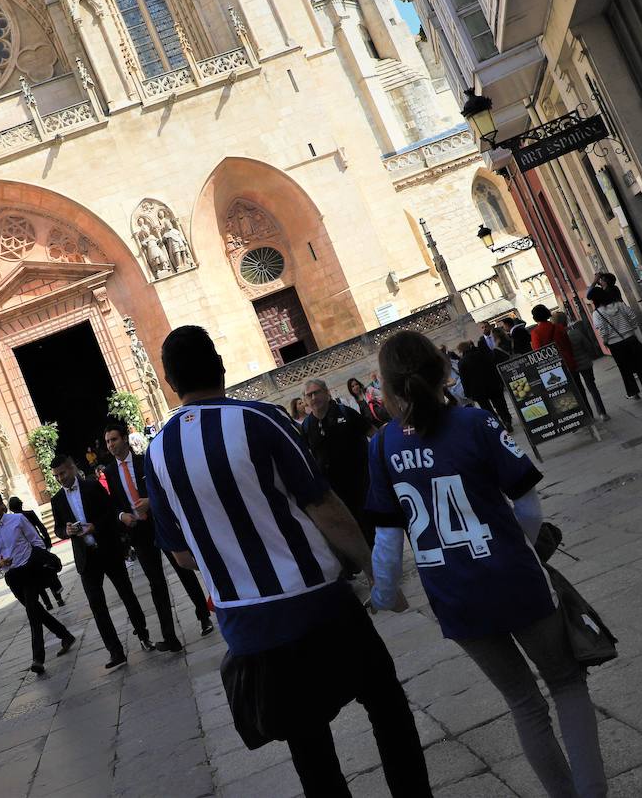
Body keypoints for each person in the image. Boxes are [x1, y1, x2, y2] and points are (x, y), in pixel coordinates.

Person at [145, 325, 431, 798]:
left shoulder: (156, 452)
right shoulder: (260, 420)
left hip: (250, 626)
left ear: (169, 382)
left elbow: (181, 556)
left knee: (309, 747)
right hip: (318, 603)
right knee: (385, 704)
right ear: (219, 365)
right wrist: (379, 574)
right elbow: (324, 506)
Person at [366, 331, 607, 798]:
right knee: (566, 683)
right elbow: (530, 507)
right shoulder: (475, 423)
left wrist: (384, 593)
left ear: (388, 388)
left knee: (522, 702)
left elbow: (388, 538)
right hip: (511, 576)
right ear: (443, 371)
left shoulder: (382, 446)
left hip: (453, 594)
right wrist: (526, 546)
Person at [103, 421, 212, 648]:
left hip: (160, 522)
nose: (110, 445)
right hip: (138, 532)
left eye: (113, 439)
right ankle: (169, 636)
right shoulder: (110, 472)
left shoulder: (146, 461)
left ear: (124, 438)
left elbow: (165, 488)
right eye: (107, 442)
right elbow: (112, 504)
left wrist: (151, 502)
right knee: (156, 582)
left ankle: (204, 615)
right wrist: (122, 515)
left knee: (183, 570)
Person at [51, 454, 153, 669]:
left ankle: (143, 634)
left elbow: (110, 512)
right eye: (56, 476)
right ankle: (115, 652)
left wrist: (95, 527)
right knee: (97, 606)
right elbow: (58, 528)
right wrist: (67, 531)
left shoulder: (92, 487)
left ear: (72, 468)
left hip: (107, 549)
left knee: (127, 594)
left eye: (63, 473)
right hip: (85, 558)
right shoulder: (57, 499)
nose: (60, 478)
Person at [0, 489, 75, 675]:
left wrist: (37, 561)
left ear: (2, 505)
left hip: (29, 570)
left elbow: (37, 541)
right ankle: (65, 635)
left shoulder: (17, 520)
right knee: (37, 611)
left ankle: (38, 659)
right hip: (12, 577)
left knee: (33, 613)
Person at [300, 379, 375, 547]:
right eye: (309, 395)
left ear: (326, 393)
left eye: (316, 392)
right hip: (333, 488)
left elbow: (373, 434)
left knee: (368, 521)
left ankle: (378, 559)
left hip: (361, 480)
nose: (313, 397)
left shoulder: (346, 413)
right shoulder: (306, 426)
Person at [530, 304, 604, 421]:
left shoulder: (536, 333)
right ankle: (590, 414)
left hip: (553, 370)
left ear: (535, 318)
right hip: (568, 362)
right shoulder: (558, 328)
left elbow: (538, 353)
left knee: (565, 394)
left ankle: (579, 418)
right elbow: (568, 345)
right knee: (579, 389)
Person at [589, 285, 642, 401]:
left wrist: (605, 340)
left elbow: (602, 329)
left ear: (595, 300)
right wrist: (632, 328)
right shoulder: (620, 305)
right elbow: (632, 315)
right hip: (630, 338)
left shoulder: (597, 314)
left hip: (615, 344)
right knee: (640, 366)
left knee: (625, 370)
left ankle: (633, 393)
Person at [8, 496, 66, 608]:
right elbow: (41, 527)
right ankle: (58, 599)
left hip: (27, 552)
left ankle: (47, 603)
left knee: (35, 577)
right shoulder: (28, 514)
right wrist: (47, 541)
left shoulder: (13, 520)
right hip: (36, 548)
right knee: (48, 573)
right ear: (21, 504)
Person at [556, 311, 607, 420]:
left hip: (571, 367)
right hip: (585, 363)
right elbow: (588, 346)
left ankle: (589, 416)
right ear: (566, 321)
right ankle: (602, 413)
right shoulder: (576, 333)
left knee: (579, 392)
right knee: (592, 388)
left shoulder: (558, 339)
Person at [457, 340, 514, 430]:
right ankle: (507, 420)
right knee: (500, 405)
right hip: (492, 385)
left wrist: (468, 393)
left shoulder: (462, 362)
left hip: (477, 391)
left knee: (487, 409)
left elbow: (464, 380)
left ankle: (498, 425)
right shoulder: (483, 354)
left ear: (461, 351)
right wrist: (499, 381)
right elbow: (493, 368)